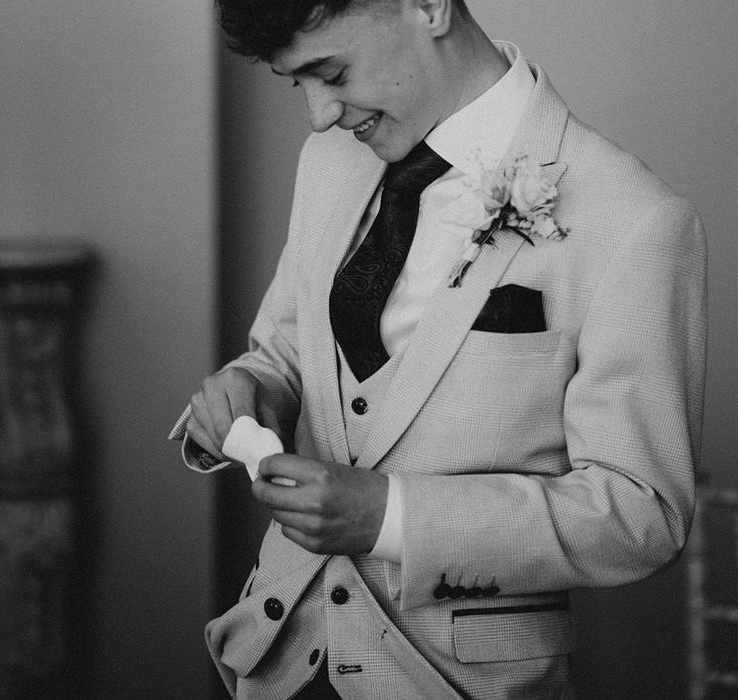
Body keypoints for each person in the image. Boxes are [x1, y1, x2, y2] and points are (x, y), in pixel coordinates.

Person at [170, 0, 707, 697]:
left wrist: (391, 517)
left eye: (330, 72)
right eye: (294, 82)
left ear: (426, 5)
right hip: (274, 663)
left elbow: (642, 514)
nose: (319, 114)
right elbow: (284, 351)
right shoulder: (327, 163)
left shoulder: (635, 221)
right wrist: (251, 390)